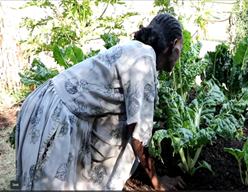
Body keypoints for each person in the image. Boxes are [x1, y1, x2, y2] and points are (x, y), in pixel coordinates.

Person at [15, 13, 186, 191]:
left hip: (48, 102)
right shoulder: (144, 60)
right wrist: (158, 181)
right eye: (180, 49)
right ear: (173, 46)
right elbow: (138, 134)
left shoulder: (137, 50)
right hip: (57, 113)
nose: (179, 56)